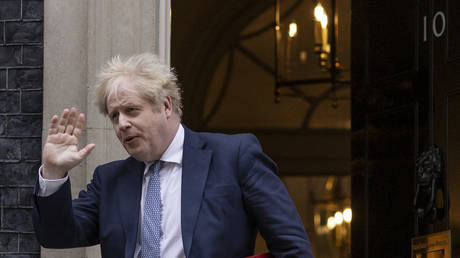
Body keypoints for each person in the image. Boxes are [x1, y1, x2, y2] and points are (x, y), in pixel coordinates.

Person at [32, 53, 313, 258]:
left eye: (131, 110)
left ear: (165, 105)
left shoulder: (234, 156)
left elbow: (293, 248)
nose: (122, 124)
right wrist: (54, 172)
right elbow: (56, 236)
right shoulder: (110, 179)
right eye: (114, 116)